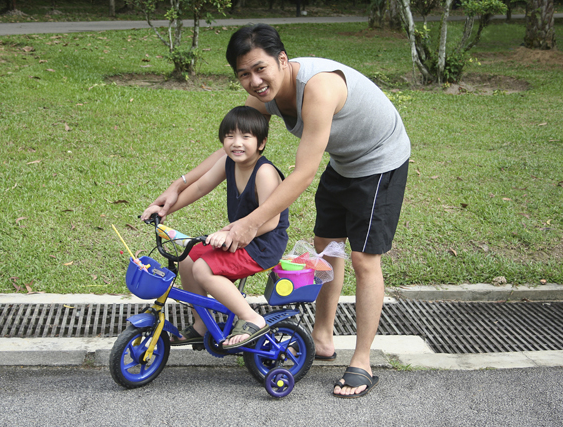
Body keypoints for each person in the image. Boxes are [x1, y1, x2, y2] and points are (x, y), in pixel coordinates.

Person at [144, 24, 410, 398]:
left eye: (260, 68)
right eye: (243, 75)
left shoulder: (317, 89)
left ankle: (362, 362)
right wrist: (178, 187)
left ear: (282, 61)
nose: (254, 81)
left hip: (380, 161)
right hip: (344, 162)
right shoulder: (265, 96)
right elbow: (229, 151)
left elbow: (302, 173)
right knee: (326, 246)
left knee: (364, 259)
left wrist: (248, 225)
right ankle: (322, 336)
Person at [141, 106, 289, 349]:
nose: (236, 143)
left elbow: (271, 221)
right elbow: (199, 188)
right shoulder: (228, 163)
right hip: (238, 237)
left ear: (261, 143)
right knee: (187, 257)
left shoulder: (264, 173)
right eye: (230, 136)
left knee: (202, 269)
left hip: (262, 245)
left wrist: (230, 233)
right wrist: (165, 209)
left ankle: (251, 318)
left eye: (246, 137)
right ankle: (201, 325)